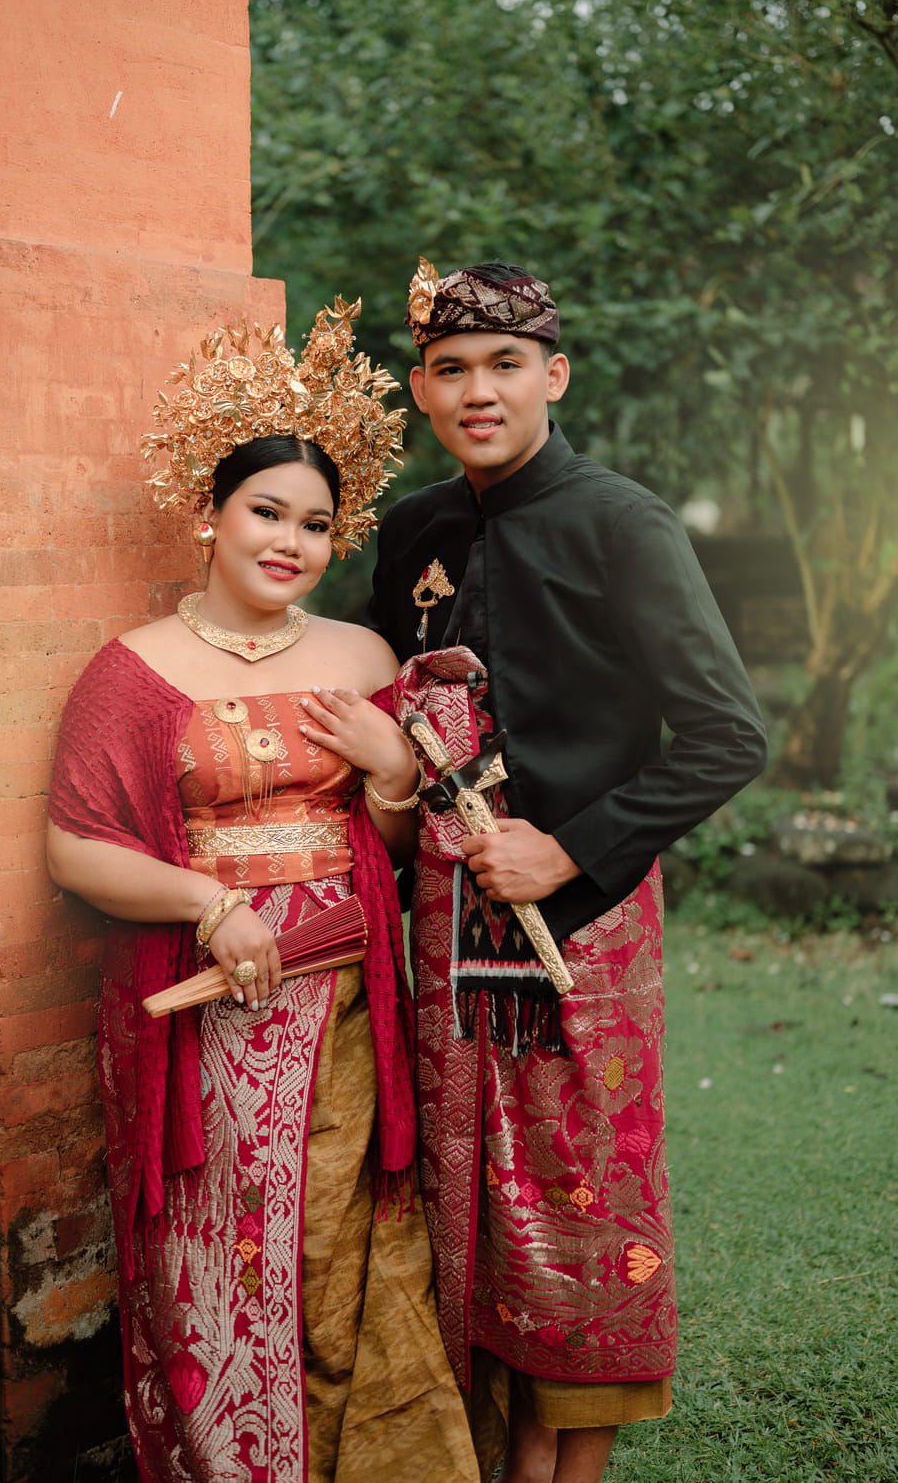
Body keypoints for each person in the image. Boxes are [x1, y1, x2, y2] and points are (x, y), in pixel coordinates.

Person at [46, 299, 479, 1483]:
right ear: (211, 513)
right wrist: (210, 907)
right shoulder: (134, 672)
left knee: (338, 1243)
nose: (292, 541)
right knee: (219, 1247)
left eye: (317, 524)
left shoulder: (363, 657)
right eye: (266, 512)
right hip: (206, 999)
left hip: (341, 996)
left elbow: (395, 847)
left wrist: (393, 773)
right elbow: (76, 848)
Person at [364, 259, 769, 1483]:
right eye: (450, 370)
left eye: (504, 365)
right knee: (469, 1197)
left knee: (583, 1196)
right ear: (421, 392)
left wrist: (570, 846)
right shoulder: (414, 533)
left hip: (582, 927)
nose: (477, 392)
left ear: (556, 375)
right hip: (447, 922)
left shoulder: (621, 524)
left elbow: (727, 737)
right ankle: (495, 1452)